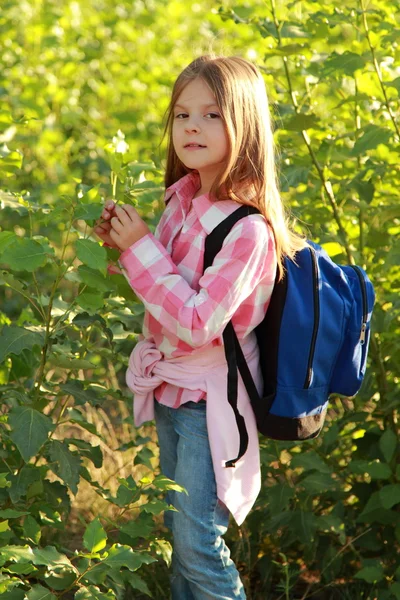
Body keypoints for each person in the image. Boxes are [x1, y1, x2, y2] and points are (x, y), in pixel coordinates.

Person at [94, 54, 307, 600]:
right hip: (174, 387)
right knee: (180, 533)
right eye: (182, 114)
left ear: (245, 124)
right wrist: (127, 246)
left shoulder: (248, 229)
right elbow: (165, 292)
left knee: (196, 542)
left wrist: (140, 248)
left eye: (212, 115)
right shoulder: (183, 200)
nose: (191, 126)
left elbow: (195, 321)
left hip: (210, 400)